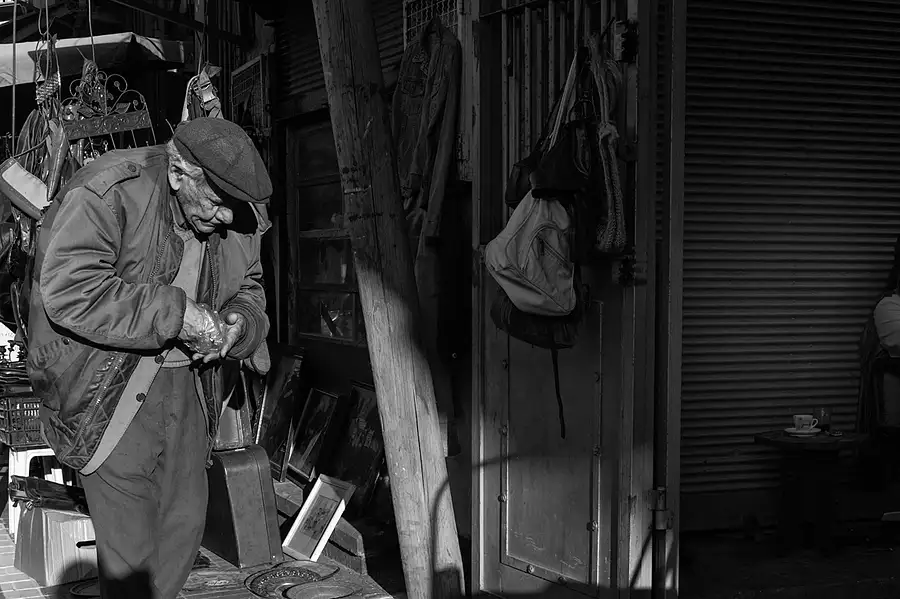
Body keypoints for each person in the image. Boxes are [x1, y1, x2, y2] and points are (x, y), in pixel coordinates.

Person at [26, 117, 271, 598]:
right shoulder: (109, 190)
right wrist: (179, 316)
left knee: (183, 531)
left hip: (191, 394)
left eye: (234, 206)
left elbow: (251, 287)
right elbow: (71, 290)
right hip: (108, 393)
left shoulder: (239, 211)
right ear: (178, 173)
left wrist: (241, 324)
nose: (226, 217)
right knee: (130, 561)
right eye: (216, 202)